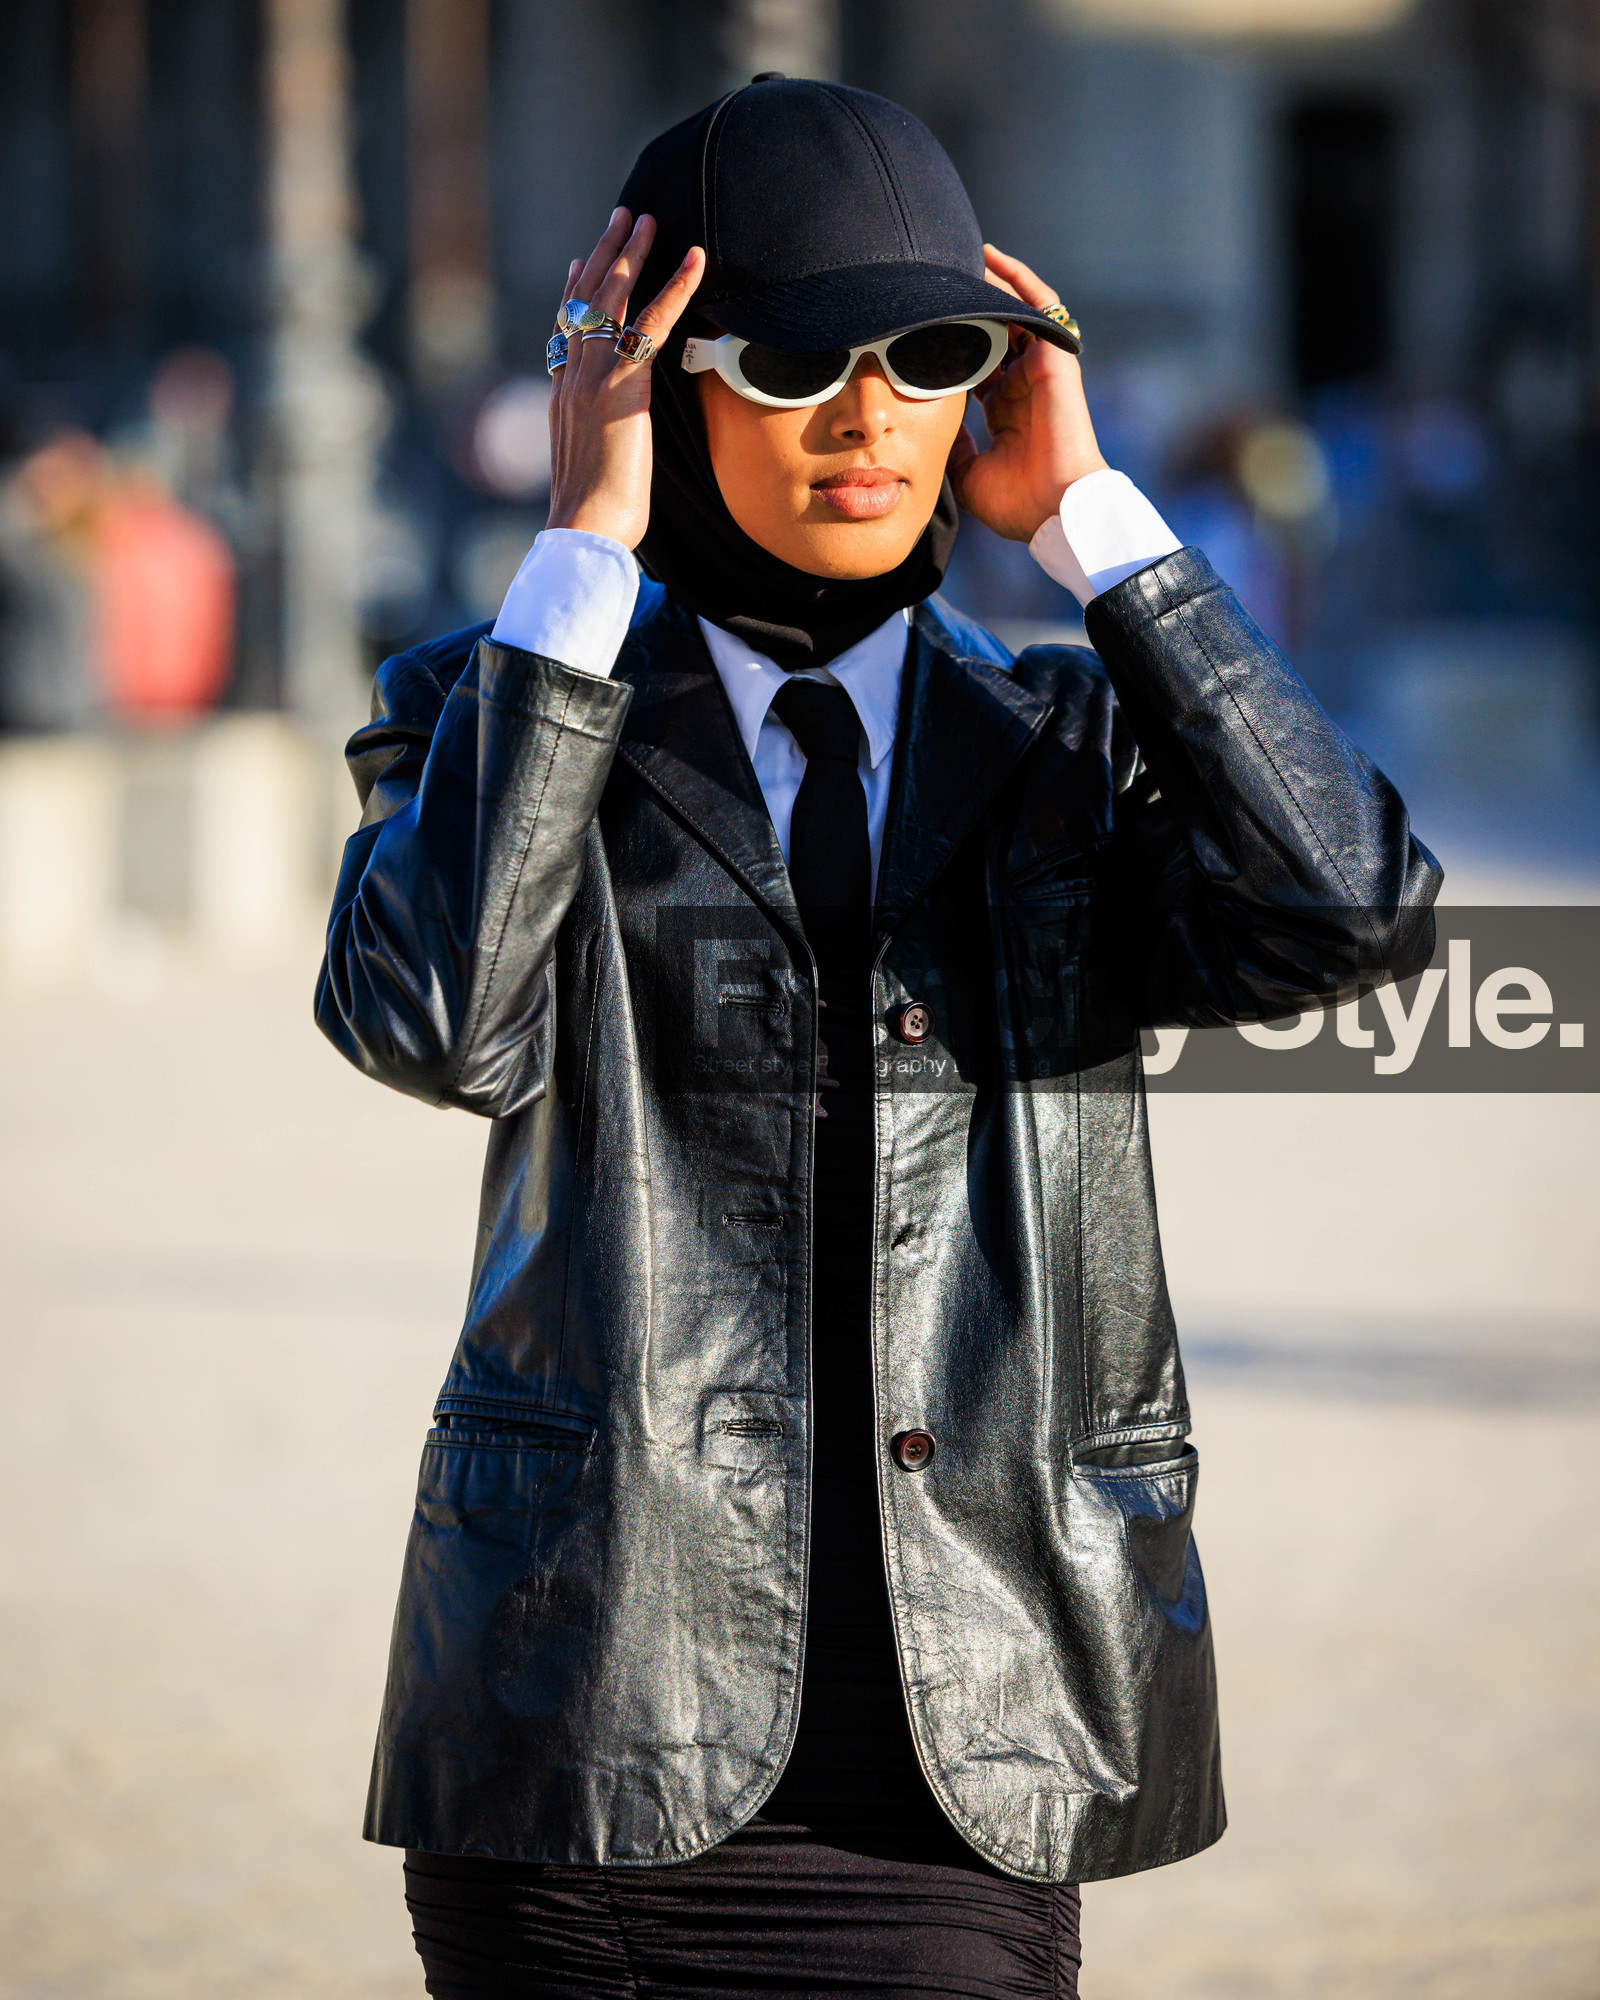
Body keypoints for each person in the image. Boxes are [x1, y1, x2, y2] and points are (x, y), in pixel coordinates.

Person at [317, 78, 1440, 1999]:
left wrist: (1100, 532)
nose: (869, 415)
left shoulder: (1074, 747)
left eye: (933, 354)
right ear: (660, 382)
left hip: (975, 1737)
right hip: (584, 1733)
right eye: (795, 356)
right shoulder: (496, 710)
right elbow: (435, 1019)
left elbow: (1350, 908)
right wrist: (589, 540)